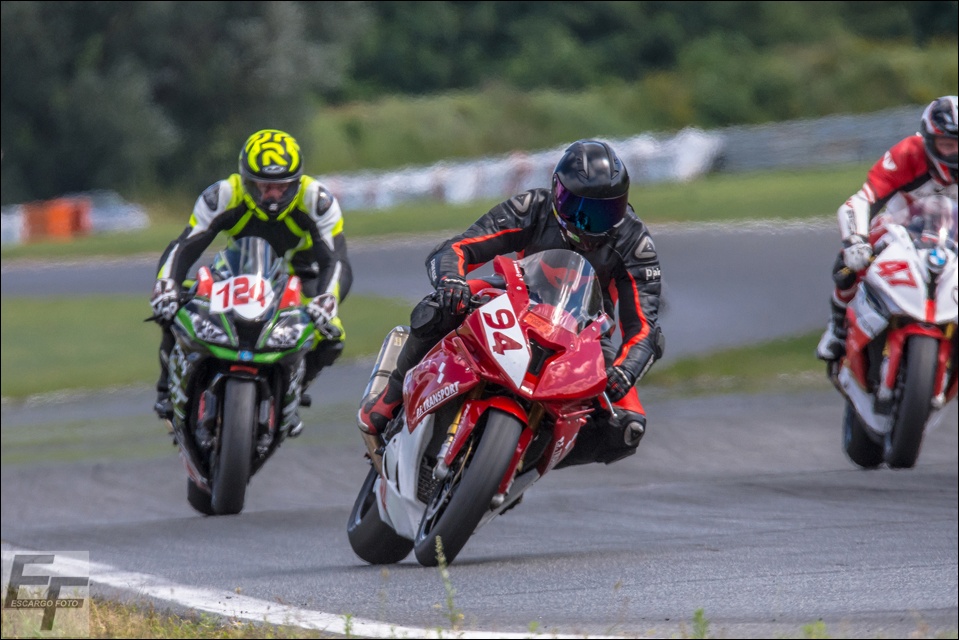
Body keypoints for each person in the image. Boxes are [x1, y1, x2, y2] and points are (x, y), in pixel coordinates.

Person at [358, 139, 665, 464]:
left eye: (605, 212)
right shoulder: (533, 206)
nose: (587, 223)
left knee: (627, 428)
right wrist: (450, 281)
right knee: (438, 309)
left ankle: (523, 463)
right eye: (578, 208)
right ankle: (388, 400)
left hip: (586, 332)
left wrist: (626, 370)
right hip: (515, 296)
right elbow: (457, 248)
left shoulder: (635, 242)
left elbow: (644, 328)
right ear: (557, 192)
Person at [150, 129, 352, 435]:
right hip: (237, 271)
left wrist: (327, 299)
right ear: (245, 179)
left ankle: (291, 393)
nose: (273, 195)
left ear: (297, 182)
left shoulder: (317, 201)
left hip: (298, 277)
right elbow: (185, 245)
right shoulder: (224, 195)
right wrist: (167, 286)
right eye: (263, 186)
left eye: (282, 187)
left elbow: (336, 261)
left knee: (332, 334)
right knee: (176, 306)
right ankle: (168, 388)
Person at [817, 96, 958, 363]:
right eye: (948, 145)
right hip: (902, 227)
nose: (955, 154)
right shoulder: (907, 154)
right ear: (929, 141)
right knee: (847, 265)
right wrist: (856, 241)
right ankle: (837, 327)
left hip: (954, 238)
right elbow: (863, 200)